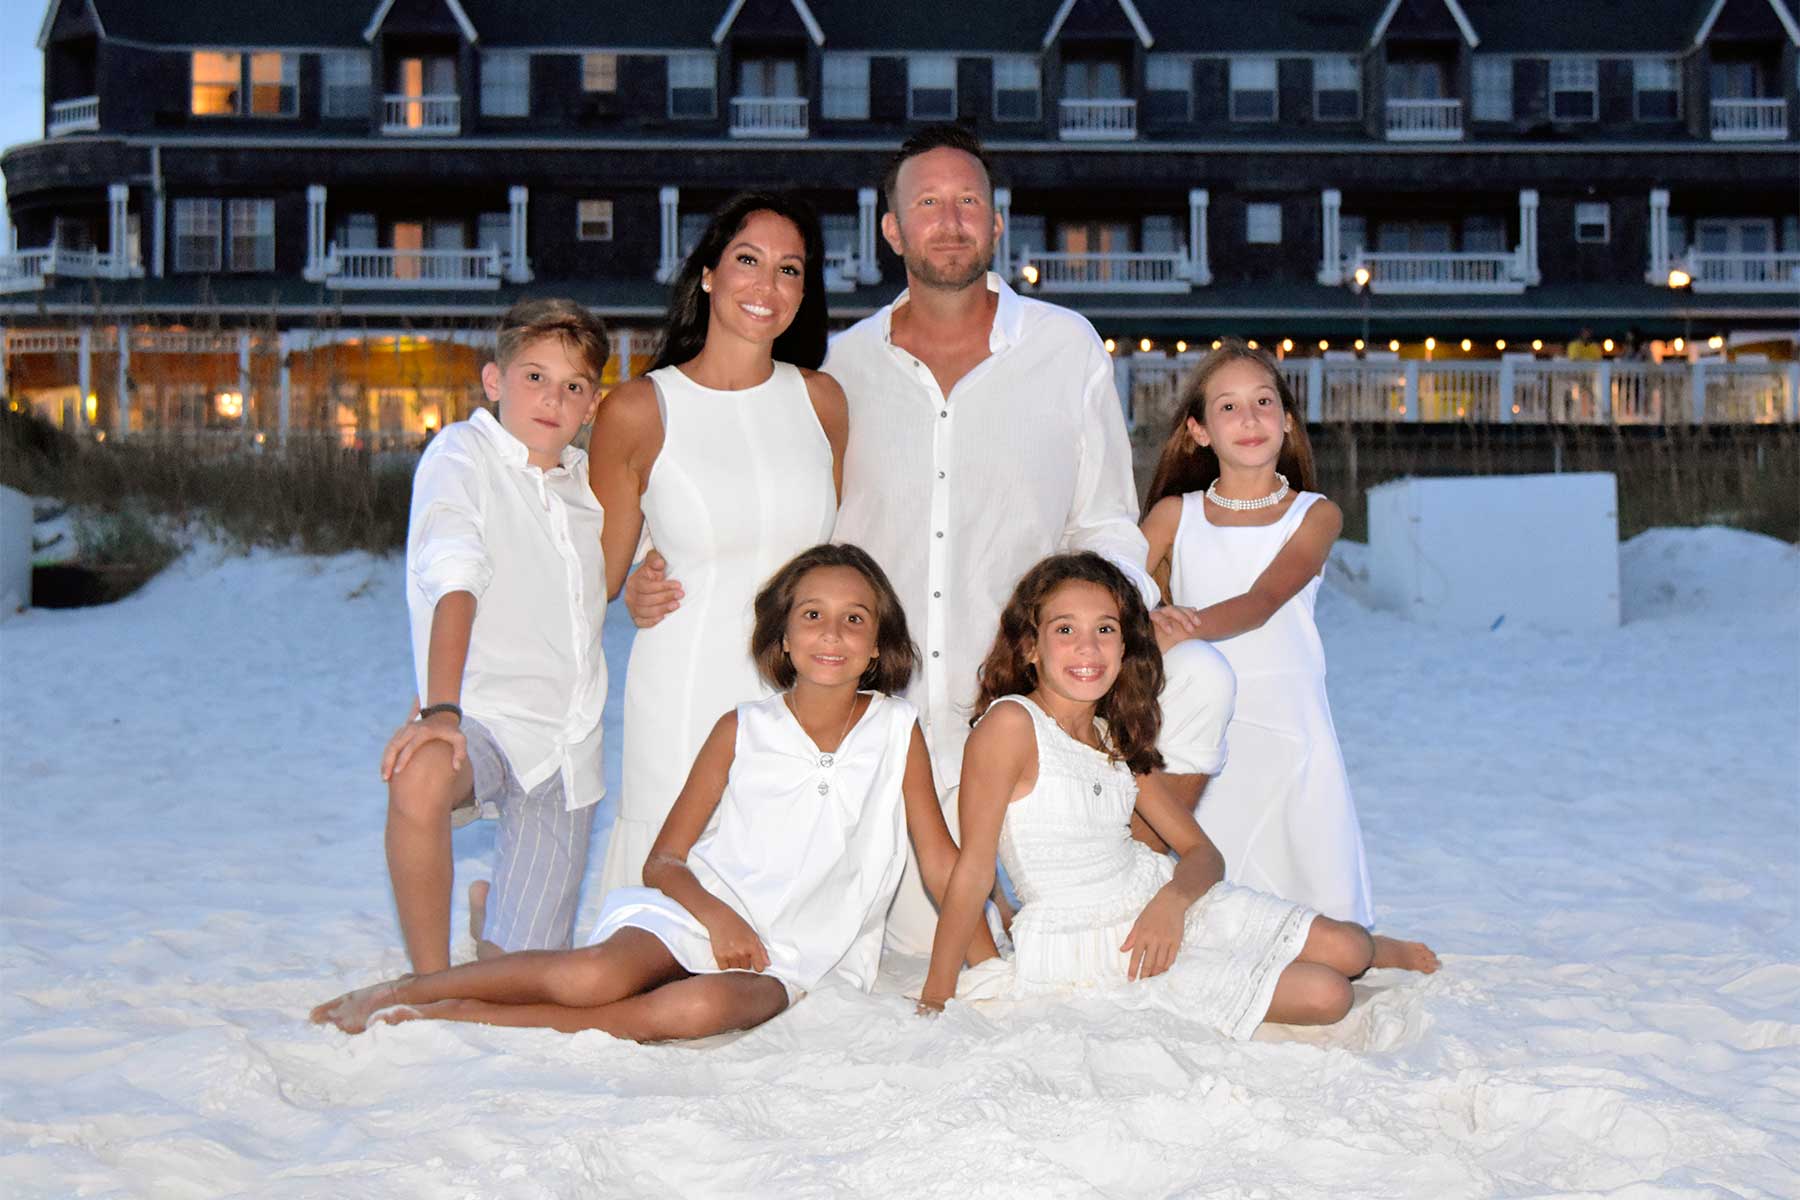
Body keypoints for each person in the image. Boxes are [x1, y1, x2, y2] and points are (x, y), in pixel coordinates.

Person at [627, 127, 1235, 953]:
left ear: (994, 223)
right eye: (926, 204)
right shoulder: (842, 371)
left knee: (1201, 674)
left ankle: (1111, 865)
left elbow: (1101, 521)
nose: (949, 221)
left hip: (1026, 694)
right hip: (892, 712)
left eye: (967, 203)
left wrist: (1124, 612)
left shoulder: (1066, 348)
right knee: (925, 940)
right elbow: (774, 507)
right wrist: (645, 566)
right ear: (892, 232)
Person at [313, 544, 994, 1040]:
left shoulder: (895, 731)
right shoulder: (743, 728)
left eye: (855, 619)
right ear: (783, 636)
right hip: (702, 913)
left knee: (693, 1013)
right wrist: (720, 919)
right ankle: (414, 990)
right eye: (813, 614)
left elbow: (940, 863)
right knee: (591, 977)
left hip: (801, 952)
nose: (832, 634)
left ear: (879, 645)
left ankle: (470, 1015)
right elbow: (663, 862)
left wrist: (948, 980)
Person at [917, 553, 1437, 1034]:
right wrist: (936, 996)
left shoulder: (1109, 732)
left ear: (1125, 647)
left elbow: (1203, 853)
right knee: (1328, 996)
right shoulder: (1010, 725)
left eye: (1105, 629)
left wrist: (1171, 902)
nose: (1088, 648)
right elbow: (974, 870)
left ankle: (1371, 950)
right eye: (1064, 630)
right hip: (1091, 944)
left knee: (1348, 946)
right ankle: (1294, 962)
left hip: (1156, 895)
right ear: (1030, 647)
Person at [589, 192, 847, 897]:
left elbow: (840, 560)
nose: (767, 286)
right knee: (669, 918)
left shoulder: (822, 400)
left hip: (800, 683)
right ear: (707, 273)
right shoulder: (640, 408)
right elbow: (596, 576)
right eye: (747, 261)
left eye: (789, 269)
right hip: (686, 679)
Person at [380, 298, 611, 974]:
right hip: (482, 718)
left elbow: (636, 557)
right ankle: (428, 977)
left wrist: (653, 572)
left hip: (567, 746)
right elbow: (456, 580)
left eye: (573, 387)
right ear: (494, 380)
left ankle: (493, 921)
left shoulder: (589, 486)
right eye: (534, 377)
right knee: (420, 776)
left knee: (519, 975)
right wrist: (440, 711)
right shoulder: (461, 455)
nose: (552, 399)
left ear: (592, 406)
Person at [1139, 341, 1373, 924]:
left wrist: (1181, 628)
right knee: (1212, 899)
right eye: (1227, 407)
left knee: (1309, 896)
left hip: (1288, 718)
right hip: (1201, 717)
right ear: (1198, 430)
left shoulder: (1314, 514)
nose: (1249, 419)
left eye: (1264, 402)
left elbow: (1264, 600)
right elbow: (1117, 593)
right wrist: (1151, 620)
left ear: (1287, 421)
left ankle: (1360, 946)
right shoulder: (1175, 514)